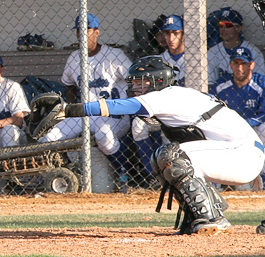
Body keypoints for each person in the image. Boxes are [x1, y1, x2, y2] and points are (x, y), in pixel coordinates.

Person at [35, 55, 265, 235]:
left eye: (140, 82)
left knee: (172, 157)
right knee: (162, 158)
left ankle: (213, 219)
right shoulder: (176, 94)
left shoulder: (165, 95)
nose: (136, 87)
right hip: (239, 154)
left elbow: (118, 106)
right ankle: (200, 215)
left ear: (157, 80)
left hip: (242, 155)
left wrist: (68, 110)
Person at [38, 13, 133, 188]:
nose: (82, 34)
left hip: (113, 114)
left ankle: (123, 175)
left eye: (87, 30)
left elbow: (133, 81)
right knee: (48, 137)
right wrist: (74, 107)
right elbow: (68, 85)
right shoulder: (74, 58)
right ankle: (66, 172)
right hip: (86, 113)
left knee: (104, 135)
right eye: (79, 31)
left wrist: (128, 108)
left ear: (96, 32)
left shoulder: (114, 55)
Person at [132, 14, 184, 179]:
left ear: (183, 34)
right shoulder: (159, 61)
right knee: (137, 125)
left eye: (175, 33)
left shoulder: (194, 58)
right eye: (167, 33)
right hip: (164, 109)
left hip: (185, 110)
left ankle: (175, 175)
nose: (170, 38)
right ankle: (154, 175)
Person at [210, 47, 265, 189]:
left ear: (251, 65)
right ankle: (216, 183)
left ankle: (262, 174)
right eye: (236, 63)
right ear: (230, 65)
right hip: (229, 130)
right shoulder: (221, 86)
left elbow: (264, 114)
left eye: (243, 64)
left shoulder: (261, 83)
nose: (239, 68)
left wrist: (244, 124)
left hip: (254, 128)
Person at [207, 7, 265, 87]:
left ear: (239, 28)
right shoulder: (212, 52)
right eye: (221, 25)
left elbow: (261, 82)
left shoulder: (253, 52)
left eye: (228, 25)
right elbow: (210, 83)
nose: (223, 29)